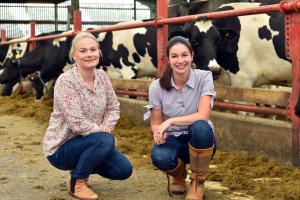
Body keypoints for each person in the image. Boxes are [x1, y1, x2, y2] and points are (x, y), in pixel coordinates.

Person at [43, 31, 132, 200]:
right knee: (106, 140)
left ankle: (80, 166)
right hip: (62, 147)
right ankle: (78, 183)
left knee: (123, 170)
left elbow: (114, 107)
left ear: (99, 52)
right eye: (83, 51)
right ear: (74, 55)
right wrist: (102, 132)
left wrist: (107, 126)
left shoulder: (102, 77)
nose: (89, 54)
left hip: (92, 141)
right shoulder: (66, 81)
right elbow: (77, 123)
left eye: (93, 49)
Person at [147, 36, 216, 200]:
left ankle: (197, 183)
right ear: (168, 59)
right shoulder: (156, 86)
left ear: (192, 56)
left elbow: (203, 115)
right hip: (173, 138)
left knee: (200, 126)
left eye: (185, 55)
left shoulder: (204, 77)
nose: (180, 61)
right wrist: (158, 132)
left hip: (200, 139)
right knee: (159, 157)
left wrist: (169, 121)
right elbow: (156, 122)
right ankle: (179, 175)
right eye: (174, 56)